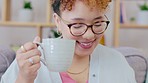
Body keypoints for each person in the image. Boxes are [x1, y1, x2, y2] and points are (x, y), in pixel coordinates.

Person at [1, 0, 137, 83]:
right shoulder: (30, 62)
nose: (89, 35)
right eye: (77, 26)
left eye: (98, 23)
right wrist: (24, 79)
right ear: (58, 22)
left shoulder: (117, 62)